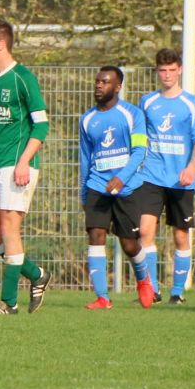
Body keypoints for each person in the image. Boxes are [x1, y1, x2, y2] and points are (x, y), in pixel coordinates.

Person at [0, 19, 51, 315]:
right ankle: (35, 274)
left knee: (9, 229)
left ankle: (7, 302)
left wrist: (23, 162)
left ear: (1, 44)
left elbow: (41, 126)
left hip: (19, 165)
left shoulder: (23, 78)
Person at [136, 48, 195, 305]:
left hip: (181, 179)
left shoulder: (192, 103)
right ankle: (152, 290)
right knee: (145, 230)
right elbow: (139, 136)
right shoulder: (147, 102)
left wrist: (191, 168)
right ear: (157, 71)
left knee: (180, 235)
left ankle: (177, 292)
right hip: (151, 176)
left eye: (171, 69)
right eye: (162, 70)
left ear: (179, 70)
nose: (167, 75)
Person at [78, 66, 154, 310]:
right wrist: (83, 191)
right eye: (97, 81)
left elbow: (140, 151)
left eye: (105, 82)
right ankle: (103, 297)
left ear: (117, 87)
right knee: (96, 235)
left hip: (127, 187)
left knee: (129, 244)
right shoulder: (87, 119)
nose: (99, 85)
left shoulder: (132, 114)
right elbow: (85, 158)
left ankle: (143, 279)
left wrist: (122, 178)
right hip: (97, 186)